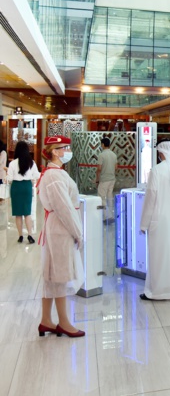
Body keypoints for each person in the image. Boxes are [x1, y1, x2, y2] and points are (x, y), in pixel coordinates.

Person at [37, 136, 85, 338]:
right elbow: (64, 208)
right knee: (59, 275)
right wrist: (78, 232)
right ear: (55, 152)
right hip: (61, 228)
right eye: (64, 148)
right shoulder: (54, 176)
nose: (68, 151)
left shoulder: (54, 173)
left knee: (52, 274)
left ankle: (46, 320)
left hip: (56, 226)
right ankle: (64, 322)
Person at [139, 139, 170, 300]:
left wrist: (144, 223)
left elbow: (150, 198)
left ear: (161, 153)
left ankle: (157, 292)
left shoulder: (157, 171)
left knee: (158, 256)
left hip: (159, 220)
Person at [6, 141, 40, 243]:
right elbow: (37, 176)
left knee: (18, 214)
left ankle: (20, 236)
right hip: (27, 187)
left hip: (16, 187)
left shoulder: (12, 163)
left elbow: (9, 178)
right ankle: (29, 234)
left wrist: (6, 174)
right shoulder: (31, 163)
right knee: (27, 212)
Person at [95, 137, 117, 223]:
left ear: (103, 145)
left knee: (101, 198)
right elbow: (116, 167)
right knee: (109, 197)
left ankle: (105, 217)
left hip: (104, 179)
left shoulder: (101, 155)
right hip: (112, 179)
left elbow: (99, 169)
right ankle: (111, 215)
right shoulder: (114, 155)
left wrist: (97, 180)